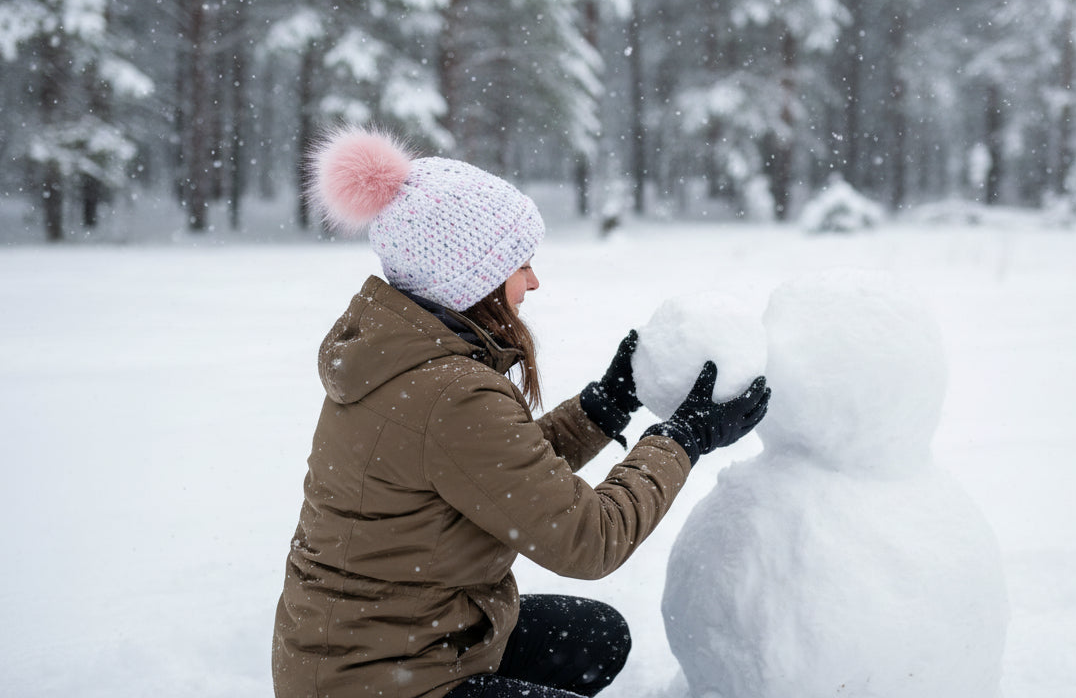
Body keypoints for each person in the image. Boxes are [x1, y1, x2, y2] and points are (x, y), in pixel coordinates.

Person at [272, 126, 771, 698]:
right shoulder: (448, 393)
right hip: (379, 679)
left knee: (595, 638)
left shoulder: (402, 359)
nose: (533, 281)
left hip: (386, 643)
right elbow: (590, 538)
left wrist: (600, 409)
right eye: (520, 264)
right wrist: (683, 439)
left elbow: (492, 473)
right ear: (472, 278)